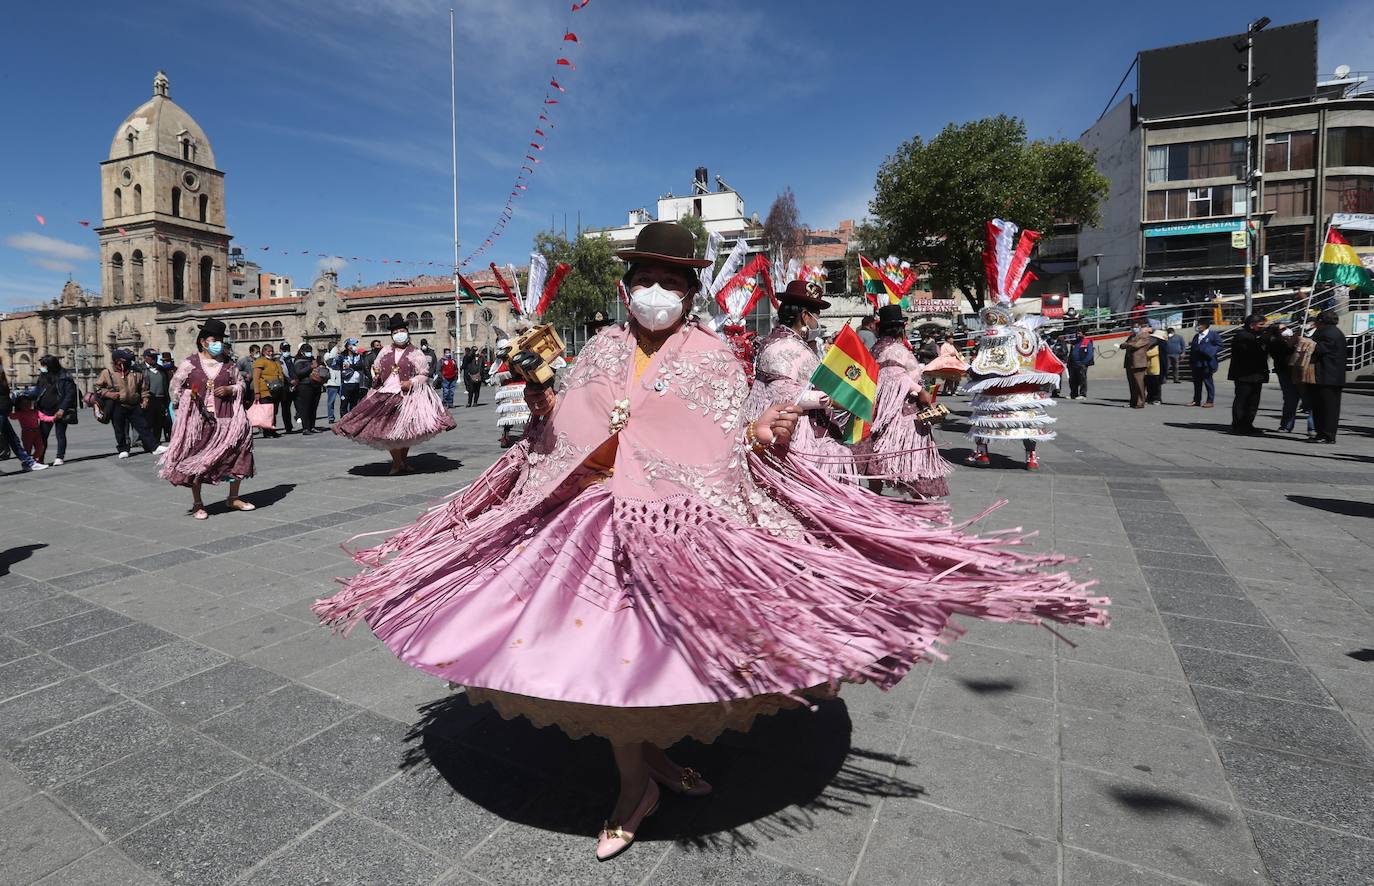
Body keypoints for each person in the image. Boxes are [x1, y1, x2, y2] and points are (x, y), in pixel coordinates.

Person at [312, 221, 1106, 861]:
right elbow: (560, 434)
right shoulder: (600, 346)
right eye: (644, 279)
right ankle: (640, 776)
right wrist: (548, 404)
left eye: (671, 281)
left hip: (678, 524)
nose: (654, 293)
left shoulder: (713, 358)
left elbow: (728, 440)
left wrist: (767, 428)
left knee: (654, 667)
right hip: (585, 516)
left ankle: (641, 774)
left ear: (691, 292)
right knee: (601, 666)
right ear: (626, 288)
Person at [964, 219, 1062, 471]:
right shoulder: (1029, 334)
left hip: (999, 387)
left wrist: (970, 371)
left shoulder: (996, 334)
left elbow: (984, 365)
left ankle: (982, 454)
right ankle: (1031, 457)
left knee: (984, 418)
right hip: (1026, 386)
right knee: (1027, 421)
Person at [745, 279, 859, 483]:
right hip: (793, 434)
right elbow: (786, 395)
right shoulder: (786, 347)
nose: (818, 323)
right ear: (806, 317)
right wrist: (834, 399)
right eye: (817, 316)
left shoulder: (783, 341)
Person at [159, 318, 256, 520]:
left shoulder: (229, 364)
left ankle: (233, 497)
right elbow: (174, 388)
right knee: (197, 460)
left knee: (236, 454)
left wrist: (231, 389)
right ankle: (198, 503)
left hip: (227, 420)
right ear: (203, 341)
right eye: (214, 339)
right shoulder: (190, 363)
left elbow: (242, 385)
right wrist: (187, 400)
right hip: (199, 421)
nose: (218, 343)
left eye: (220, 339)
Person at [332, 316, 455, 473]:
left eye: (402, 331)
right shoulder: (385, 351)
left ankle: (403, 461)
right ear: (391, 334)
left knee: (407, 431)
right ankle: (397, 463)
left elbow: (424, 373)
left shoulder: (415, 352)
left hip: (409, 395)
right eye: (396, 331)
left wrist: (412, 382)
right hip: (387, 392)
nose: (399, 334)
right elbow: (375, 366)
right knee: (389, 431)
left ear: (407, 332)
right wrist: (375, 374)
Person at [855, 304, 952, 496]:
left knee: (879, 454)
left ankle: (875, 494)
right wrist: (920, 390)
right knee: (912, 455)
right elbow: (894, 377)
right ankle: (920, 496)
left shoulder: (875, 348)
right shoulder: (896, 350)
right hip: (902, 411)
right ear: (901, 327)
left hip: (878, 411)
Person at [95, 349, 162, 459]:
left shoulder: (135, 372)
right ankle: (123, 448)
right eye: (124, 360)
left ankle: (154, 447)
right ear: (117, 361)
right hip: (118, 404)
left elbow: (143, 388)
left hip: (134, 404)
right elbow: (98, 388)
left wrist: (145, 399)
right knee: (119, 428)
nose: (127, 362)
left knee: (143, 426)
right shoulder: (107, 373)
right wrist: (109, 394)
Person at [0, 358, 46, 472]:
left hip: (3, 412)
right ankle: (29, 463)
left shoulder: (2, 379)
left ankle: (29, 463)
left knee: (13, 439)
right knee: (12, 439)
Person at [1309, 310, 1347, 444]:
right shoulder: (1334, 332)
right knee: (1324, 407)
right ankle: (1323, 433)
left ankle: (1326, 435)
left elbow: (1319, 349)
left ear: (1321, 322)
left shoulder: (1328, 333)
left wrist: (1306, 342)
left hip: (1327, 377)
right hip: (1330, 376)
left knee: (1326, 408)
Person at [1227, 314, 1269, 435]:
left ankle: (1248, 423)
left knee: (1254, 401)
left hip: (1257, 374)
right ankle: (1238, 424)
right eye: (1261, 325)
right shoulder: (1242, 336)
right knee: (1242, 400)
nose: (1263, 327)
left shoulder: (1257, 336)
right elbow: (1250, 347)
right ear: (1252, 325)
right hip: (1244, 375)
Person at [34, 355, 78, 466]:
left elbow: (70, 394)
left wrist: (62, 409)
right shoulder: (43, 376)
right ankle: (39, 457)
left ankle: (59, 457)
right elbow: (38, 390)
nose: (42, 368)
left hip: (60, 410)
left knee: (60, 434)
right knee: (42, 435)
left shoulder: (64, 376)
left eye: (44, 365)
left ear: (51, 365)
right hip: (45, 411)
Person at [491, 339, 529, 446]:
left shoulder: (514, 359)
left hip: (520, 389)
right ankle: (506, 436)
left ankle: (526, 435)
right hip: (510, 392)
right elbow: (498, 379)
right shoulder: (501, 365)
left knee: (524, 415)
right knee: (509, 416)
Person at [251, 344, 286, 438]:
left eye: (271, 351)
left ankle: (272, 429)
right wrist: (257, 392)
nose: (270, 353)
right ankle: (267, 431)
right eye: (268, 351)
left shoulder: (275, 362)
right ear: (264, 352)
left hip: (276, 390)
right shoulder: (260, 361)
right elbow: (256, 378)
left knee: (274, 411)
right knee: (267, 412)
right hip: (265, 390)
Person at [1188, 319, 1222, 407]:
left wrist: (1210, 350)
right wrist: (1191, 361)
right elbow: (1193, 350)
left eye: (1199, 324)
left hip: (1207, 363)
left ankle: (1210, 401)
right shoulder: (1196, 336)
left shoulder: (1213, 335)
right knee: (1197, 383)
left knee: (1208, 382)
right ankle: (1196, 400)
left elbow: (1220, 346)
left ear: (1204, 325)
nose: (1197, 326)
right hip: (1197, 363)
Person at [142, 348, 172, 445]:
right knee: (148, 422)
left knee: (158, 422)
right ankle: (147, 442)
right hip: (148, 399)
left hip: (161, 399)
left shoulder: (161, 369)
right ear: (145, 358)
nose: (154, 358)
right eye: (151, 357)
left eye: (155, 356)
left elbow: (166, 383)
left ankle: (156, 441)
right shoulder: (141, 369)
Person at [925, 333, 969, 397]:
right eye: (951, 338)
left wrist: (960, 357)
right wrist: (950, 354)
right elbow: (942, 354)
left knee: (953, 378)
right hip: (948, 363)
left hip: (954, 363)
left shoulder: (952, 346)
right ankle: (951, 391)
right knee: (950, 378)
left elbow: (956, 354)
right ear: (948, 339)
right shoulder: (944, 345)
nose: (952, 340)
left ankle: (947, 390)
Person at [1123, 324, 1154, 409]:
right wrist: (1128, 344)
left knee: (1139, 384)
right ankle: (1133, 401)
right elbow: (1122, 345)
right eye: (1133, 327)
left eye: (1136, 327)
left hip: (1139, 362)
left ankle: (1140, 402)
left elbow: (1136, 345)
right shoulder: (1131, 336)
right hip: (1129, 362)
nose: (1134, 328)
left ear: (1140, 328)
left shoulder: (1145, 336)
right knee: (1132, 384)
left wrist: (1127, 344)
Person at [13, 394, 42, 464]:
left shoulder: (34, 411)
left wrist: (53, 418)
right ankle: (27, 463)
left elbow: (43, 416)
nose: (26, 405)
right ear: (19, 405)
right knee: (27, 449)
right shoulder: (19, 413)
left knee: (40, 447)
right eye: (23, 404)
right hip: (27, 433)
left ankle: (35, 460)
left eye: (28, 403)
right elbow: (12, 416)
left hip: (37, 432)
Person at [1065, 330, 1094, 400]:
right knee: (1072, 380)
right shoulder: (1074, 342)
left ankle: (1083, 394)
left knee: (1082, 379)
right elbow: (1071, 353)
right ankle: (1073, 394)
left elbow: (1090, 354)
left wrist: (1084, 363)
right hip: (1073, 364)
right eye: (1077, 333)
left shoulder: (1087, 342)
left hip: (1082, 364)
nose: (1077, 335)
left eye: (1079, 333)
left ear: (1083, 334)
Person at [340, 339, 366, 414]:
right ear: (348, 346)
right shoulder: (342, 356)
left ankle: (352, 422)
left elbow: (361, 366)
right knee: (344, 404)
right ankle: (343, 422)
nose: (355, 347)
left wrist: (351, 366)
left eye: (355, 345)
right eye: (353, 345)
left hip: (356, 383)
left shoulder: (358, 356)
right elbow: (334, 364)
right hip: (346, 383)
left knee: (354, 405)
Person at [276, 342, 296, 432]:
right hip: (285, 386)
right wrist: (289, 380)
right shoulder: (278, 361)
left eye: (288, 349)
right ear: (280, 350)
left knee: (299, 405)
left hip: (295, 384)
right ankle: (288, 426)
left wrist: (296, 381)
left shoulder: (293, 359)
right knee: (286, 407)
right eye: (284, 350)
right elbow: (281, 373)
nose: (287, 351)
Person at [1145, 329, 1167, 405]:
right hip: (1149, 368)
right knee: (1149, 385)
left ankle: (1157, 399)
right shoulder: (1151, 345)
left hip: (1157, 369)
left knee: (1156, 385)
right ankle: (1149, 398)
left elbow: (1149, 353)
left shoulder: (1161, 346)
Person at [324, 342, 344, 424]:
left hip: (340, 381)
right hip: (332, 382)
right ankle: (331, 417)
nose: (338, 350)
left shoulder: (339, 357)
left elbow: (341, 362)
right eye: (336, 348)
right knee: (331, 401)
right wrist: (335, 353)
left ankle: (344, 415)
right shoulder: (327, 355)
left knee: (344, 399)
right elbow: (331, 363)